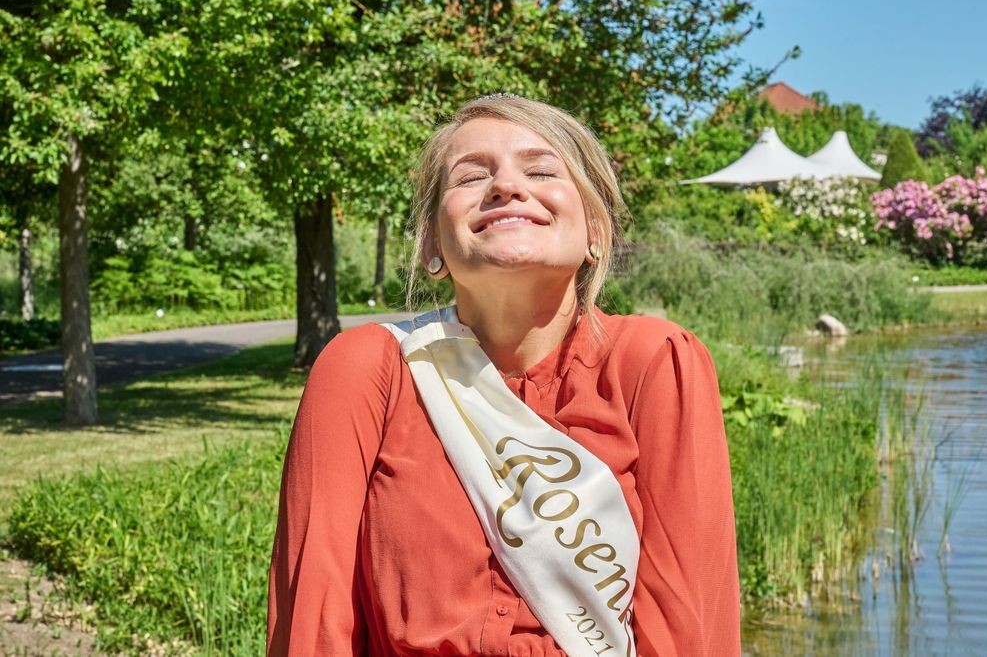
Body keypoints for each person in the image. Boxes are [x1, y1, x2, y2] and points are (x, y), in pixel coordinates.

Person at [267, 94, 740, 656]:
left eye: (541, 170)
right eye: (470, 177)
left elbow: (693, 622)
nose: (507, 187)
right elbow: (313, 621)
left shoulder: (654, 362)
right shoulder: (371, 369)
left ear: (594, 229)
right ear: (431, 247)